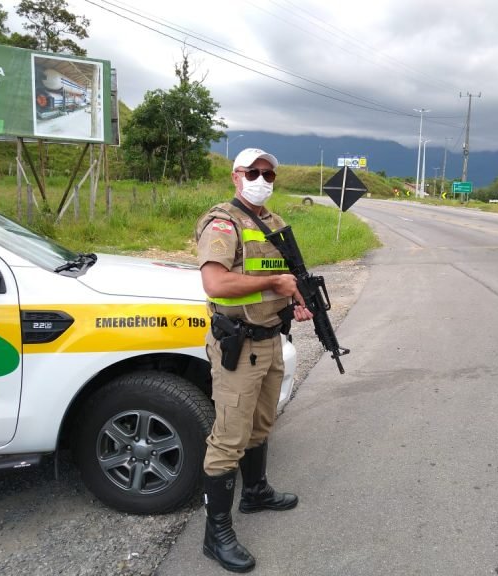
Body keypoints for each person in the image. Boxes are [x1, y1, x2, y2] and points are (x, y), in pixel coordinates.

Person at [194, 148, 313, 573]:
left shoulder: (275, 223)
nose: (262, 178)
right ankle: (217, 533)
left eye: (269, 174)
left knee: (262, 424)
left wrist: (295, 300)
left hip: (270, 340)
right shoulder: (223, 222)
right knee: (228, 438)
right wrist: (275, 281)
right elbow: (216, 282)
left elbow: (285, 279)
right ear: (235, 176)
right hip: (238, 346)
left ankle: (256, 491)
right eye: (253, 172)